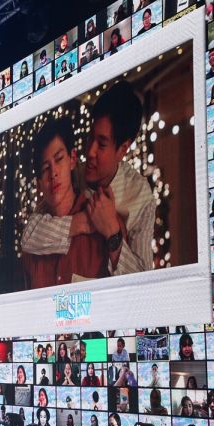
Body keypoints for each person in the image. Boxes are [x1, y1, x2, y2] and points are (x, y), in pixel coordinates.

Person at [21, 81, 154, 278]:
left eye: (101, 144)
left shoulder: (141, 197)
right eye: (90, 138)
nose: (90, 151)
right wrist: (82, 222)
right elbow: (31, 233)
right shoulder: (74, 172)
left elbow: (145, 280)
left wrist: (112, 233)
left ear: (123, 149)